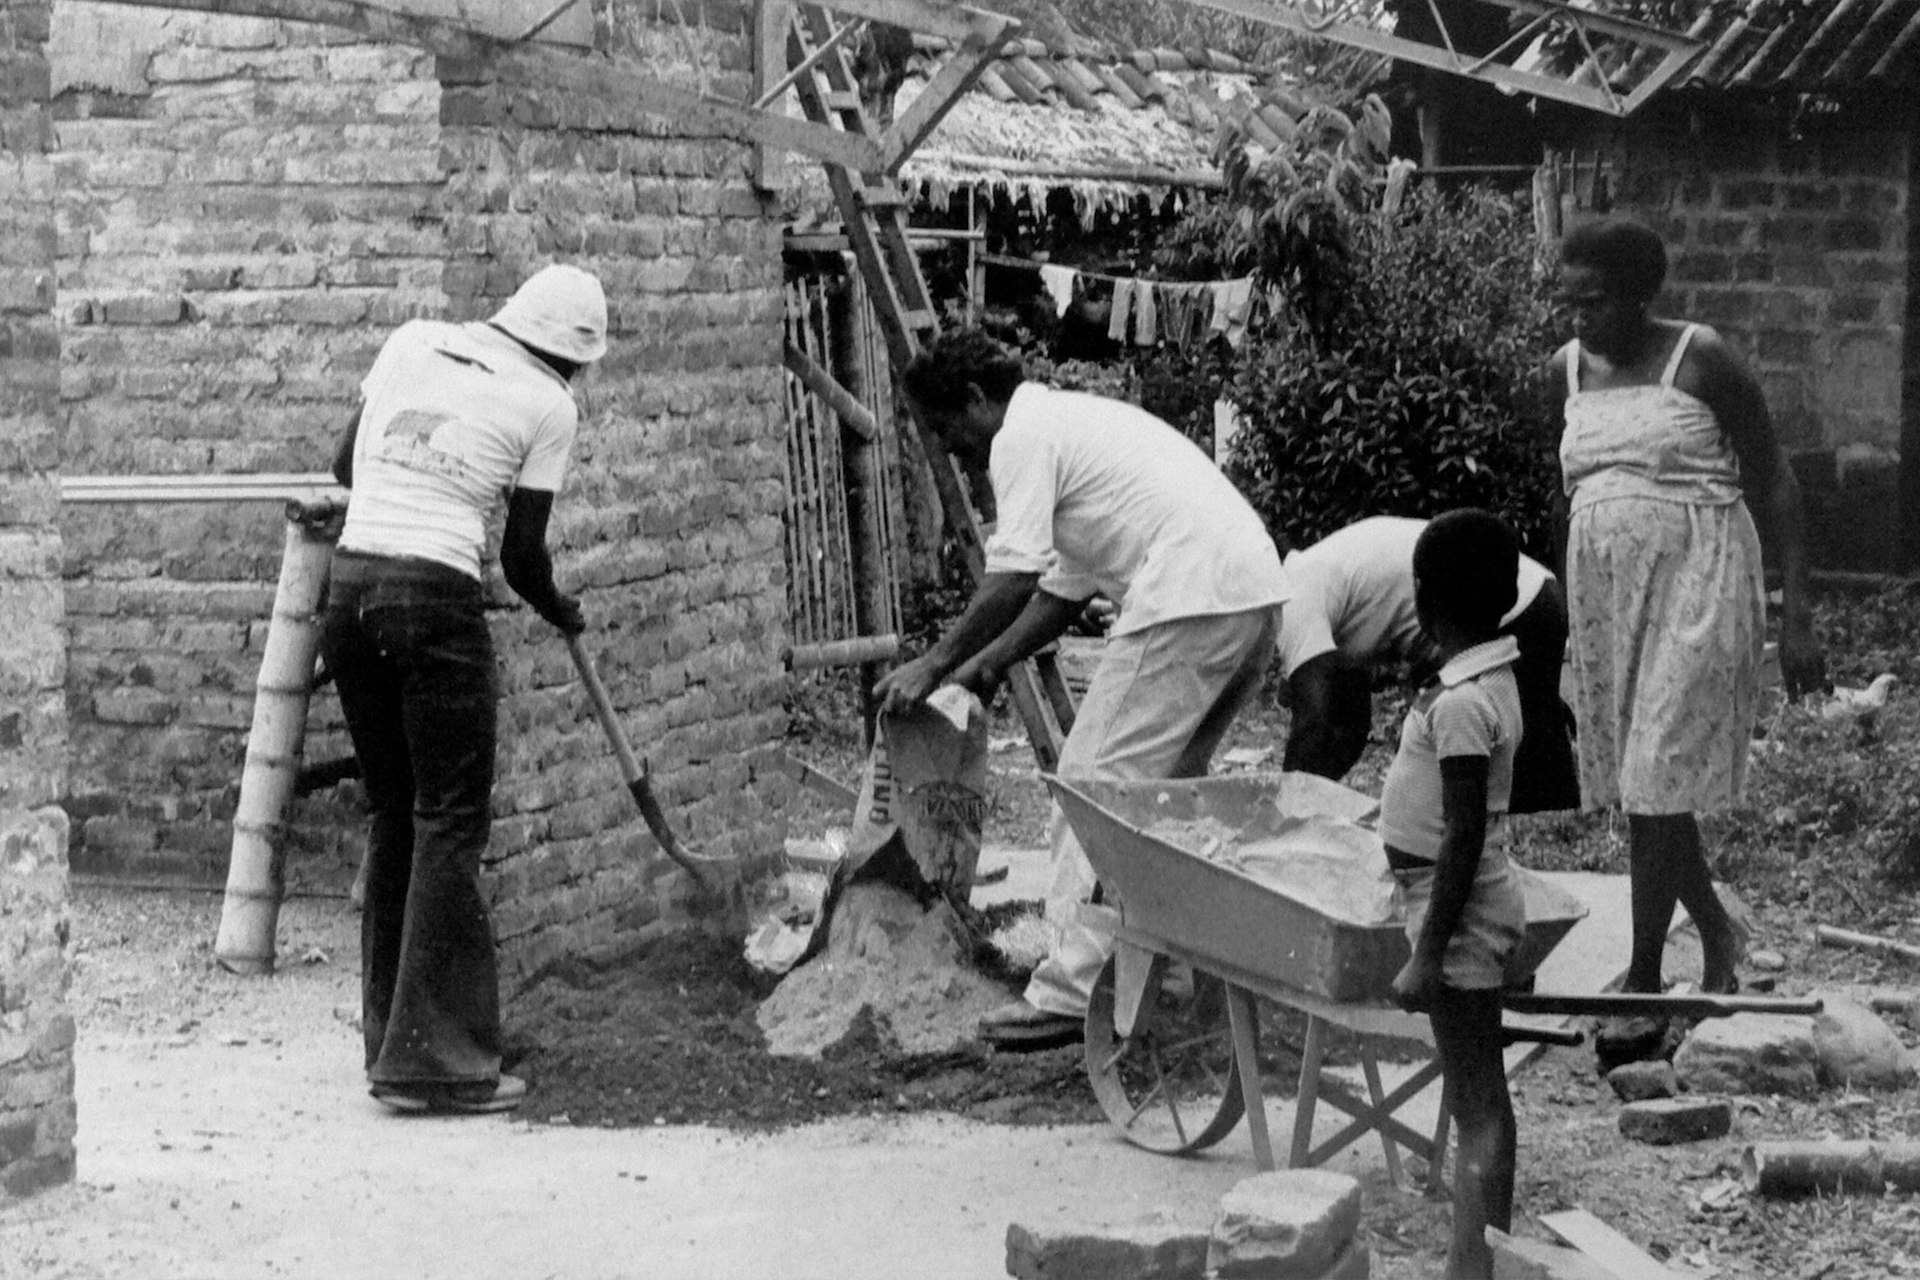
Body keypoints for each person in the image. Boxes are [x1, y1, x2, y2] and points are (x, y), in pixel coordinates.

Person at [875, 328, 1291, 1047]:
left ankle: (1068, 992)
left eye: (949, 430)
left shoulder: (1021, 436)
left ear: (976, 399)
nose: (954, 451)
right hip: (1249, 596)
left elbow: (1012, 577)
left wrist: (932, 664)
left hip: (1189, 594)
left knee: (1090, 787)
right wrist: (989, 661)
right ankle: (1171, 970)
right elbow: (1062, 591)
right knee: (1159, 803)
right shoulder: (1066, 424)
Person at [322, 263, 607, 1114]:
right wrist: (558, 605)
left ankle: (393, 1044)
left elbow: (344, 465)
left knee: (393, 810)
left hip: (349, 592)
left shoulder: (413, 338)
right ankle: (437, 1063)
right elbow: (522, 556)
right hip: (433, 605)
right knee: (449, 818)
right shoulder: (552, 404)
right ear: (577, 358)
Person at [1550, 218, 1824, 1005]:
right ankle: (1714, 925)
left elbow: (1776, 479)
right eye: (1568, 302)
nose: (1579, 318)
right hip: (1606, 604)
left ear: (1640, 295)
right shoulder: (1565, 371)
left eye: (1595, 301)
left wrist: (1796, 611)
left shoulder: (1701, 358)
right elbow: (1562, 494)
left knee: (1653, 781)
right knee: (1649, 788)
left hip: (1699, 584)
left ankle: (1641, 982)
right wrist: (1563, 619)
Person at [1383, 510, 1529, 1280]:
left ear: (1421, 595)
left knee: (1477, 1105)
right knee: (1481, 1099)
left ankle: (1472, 1269)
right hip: (1456, 905)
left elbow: (1462, 836)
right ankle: (1476, 1261)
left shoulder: (1466, 702)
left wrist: (1426, 955)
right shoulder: (1479, 679)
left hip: (1461, 917)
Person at [1277, 515, 1579, 814]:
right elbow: (1347, 718)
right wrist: (1316, 795)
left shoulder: (1294, 595)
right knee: (1530, 755)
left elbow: (1315, 721)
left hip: (1516, 607)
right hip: (1534, 595)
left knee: (1513, 780)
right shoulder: (1313, 573)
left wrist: (1283, 813)